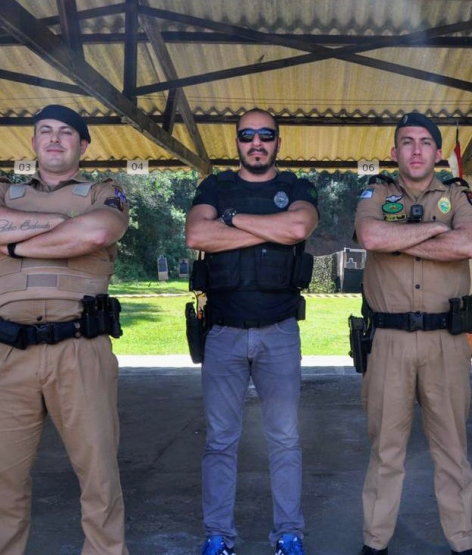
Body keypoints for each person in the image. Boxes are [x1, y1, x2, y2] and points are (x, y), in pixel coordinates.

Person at [0, 104, 130, 554]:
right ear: (34, 141)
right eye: (45, 131)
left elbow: (98, 233)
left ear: (83, 145)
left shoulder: (105, 191)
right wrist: (61, 227)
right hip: (3, 351)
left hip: (79, 348)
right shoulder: (3, 189)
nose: (55, 139)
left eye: (66, 132)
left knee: (99, 480)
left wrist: (14, 243)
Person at [185, 108, 319, 555]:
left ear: (278, 141)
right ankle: (218, 536)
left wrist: (230, 220)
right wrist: (268, 231)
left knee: (285, 440)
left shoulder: (297, 187)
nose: (256, 142)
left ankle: (289, 535)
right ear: (237, 141)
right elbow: (196, 235)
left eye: (265, 134)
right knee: (220, 441)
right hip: (223, 333)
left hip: (279, 332)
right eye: (247, 135)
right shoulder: (215, 186)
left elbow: (298, 226)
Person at [354, 112, 472, 555]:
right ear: (395, 151)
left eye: (425, 142)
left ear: (437, 152)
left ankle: (462, 542)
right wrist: (434, 230)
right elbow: (371, 237)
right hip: (388, 339)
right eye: (407, 142)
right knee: (386, 450)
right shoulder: (377, 192)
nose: (415, 150)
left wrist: (401, 239)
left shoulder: (457, 194)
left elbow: (469, 244)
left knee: (452, 449)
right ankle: (376, 543)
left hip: (446, 340)